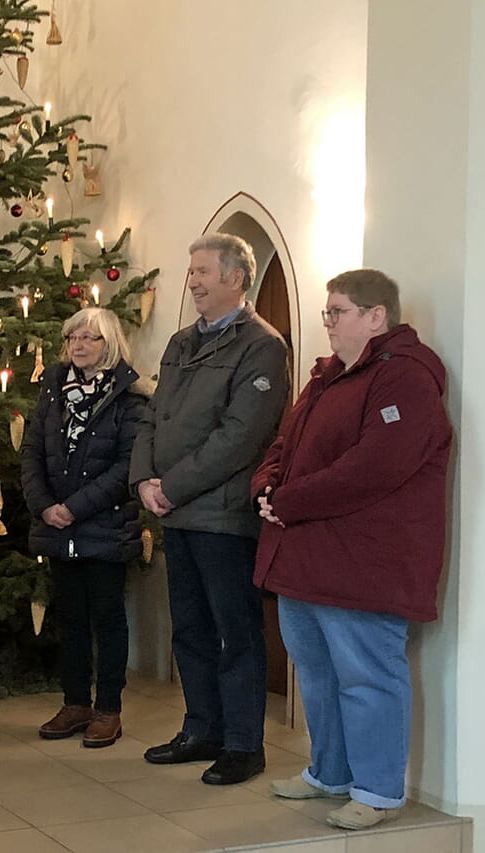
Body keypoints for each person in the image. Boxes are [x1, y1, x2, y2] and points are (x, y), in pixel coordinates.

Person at [252, 270, 451, 830]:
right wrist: (265, 488)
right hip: (306, 558)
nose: (329, 324)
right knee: (316, 674)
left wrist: (287, 501)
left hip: (366, 563)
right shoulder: (329, 378)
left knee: (368, 676)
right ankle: (330, 772)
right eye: (327, 313)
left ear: (376, 316)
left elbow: (373, 468)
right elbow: (284, 444)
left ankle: (378, 790)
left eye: (337, 312)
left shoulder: (405, 379)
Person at [130, 232, 289, 785]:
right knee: (190, 629)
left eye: (202, 271)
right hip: (175, 511)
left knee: (234, 630)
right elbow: (154, 417)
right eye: (190, 271)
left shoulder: (262, 345)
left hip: (221, 515)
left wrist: (170, 486)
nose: (192, 280)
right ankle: (202, 729)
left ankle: (244, 744)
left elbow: (241, 436)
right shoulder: (179, 343)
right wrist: (142, 481)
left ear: (236, 278)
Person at [22, 307, 148, 748]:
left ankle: (108, 709)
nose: (78, 345)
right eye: (73, 337)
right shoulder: (52, 390)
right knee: (70, 619)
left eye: (89, 338)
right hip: (58, 527)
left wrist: (74, 508)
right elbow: (32, 453)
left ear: (109, 344)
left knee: (108, 620)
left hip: (105, 527)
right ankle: (75, 703)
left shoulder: (129, 399)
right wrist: (45, 507)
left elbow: (126, 467)